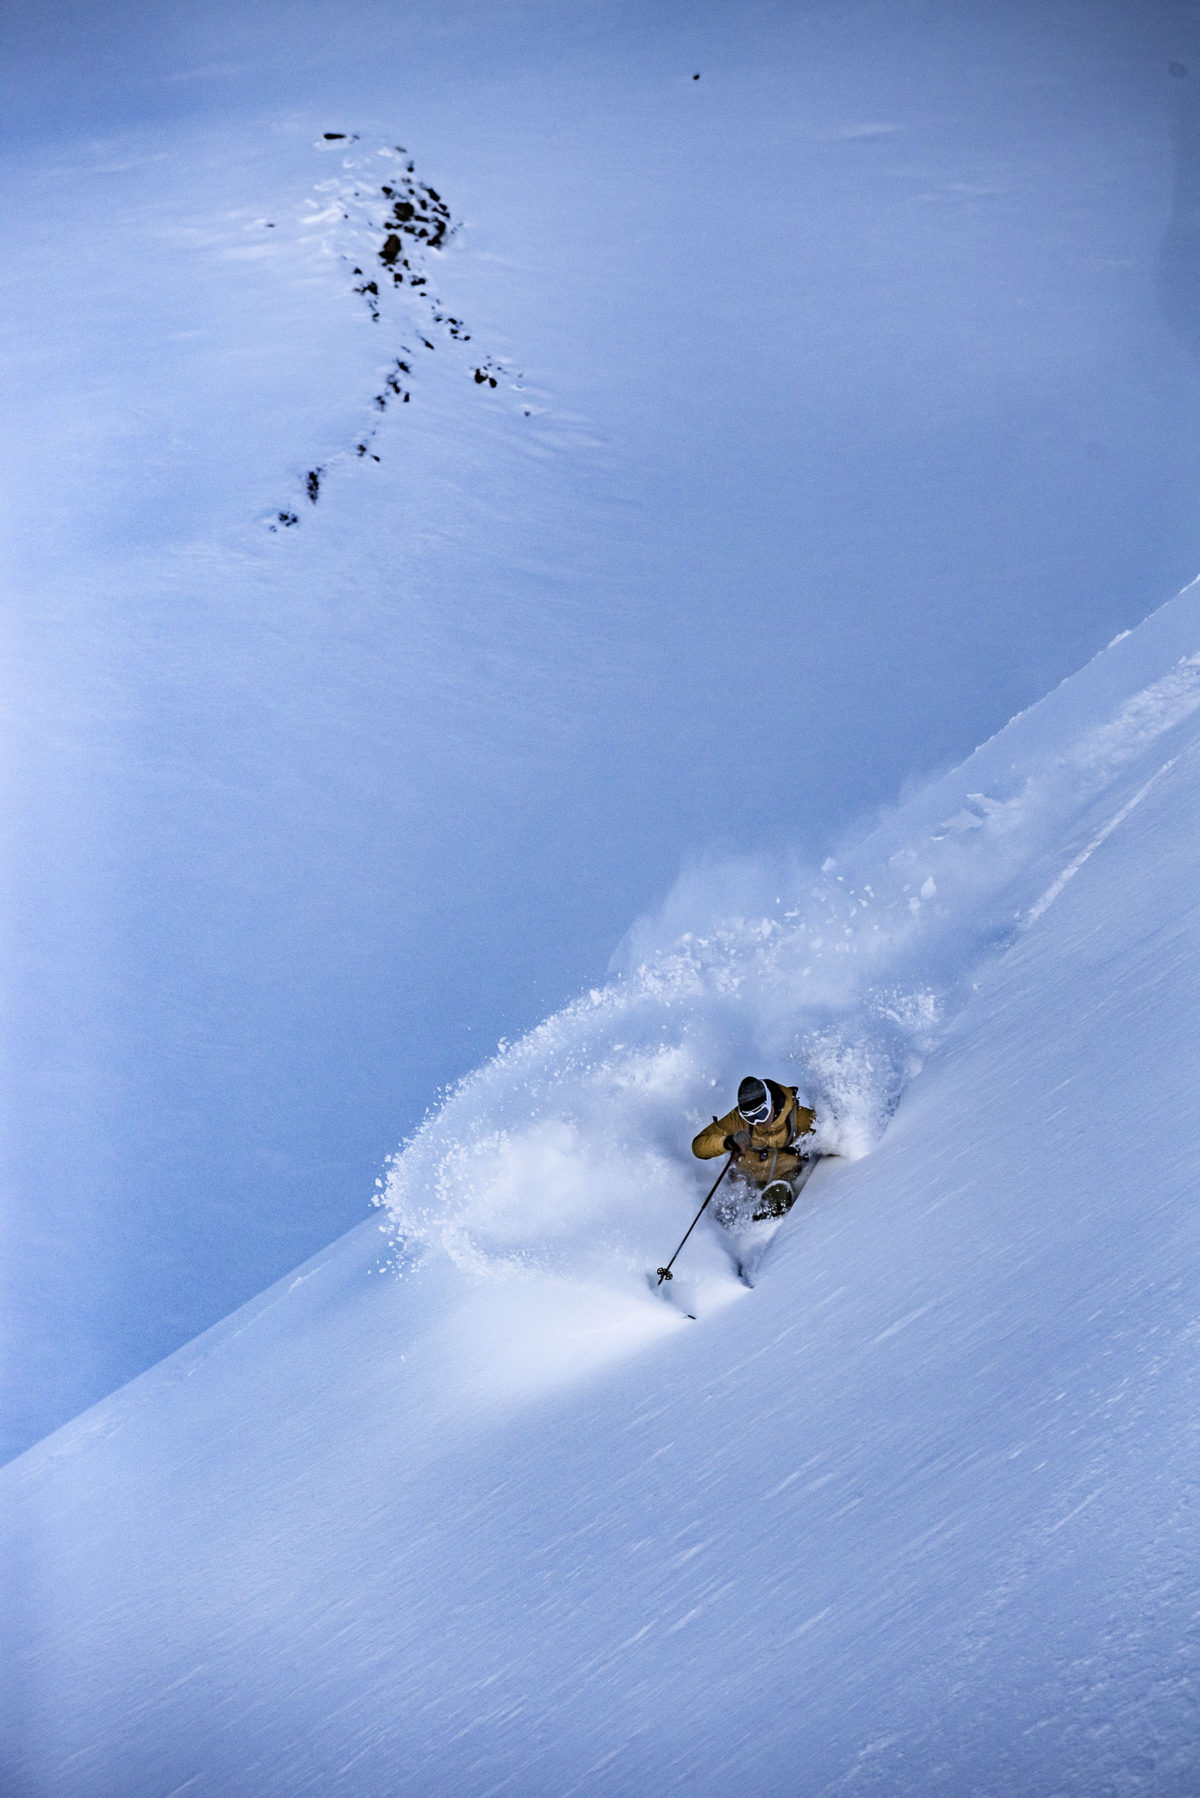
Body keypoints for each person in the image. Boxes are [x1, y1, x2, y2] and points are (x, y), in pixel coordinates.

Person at [692, 1075, 817, 1219]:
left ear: (772, 1102)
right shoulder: (737, 1120)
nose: (757, 1122)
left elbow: (828, 1131)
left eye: (762, 1114)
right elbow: (699, 1146)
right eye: (750, 1118)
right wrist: (727, 1142)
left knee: (778, 1197)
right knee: (727, 1210)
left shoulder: (796, 1116)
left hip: (782, 1181)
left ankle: (765, 1226)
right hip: (744, 1186)